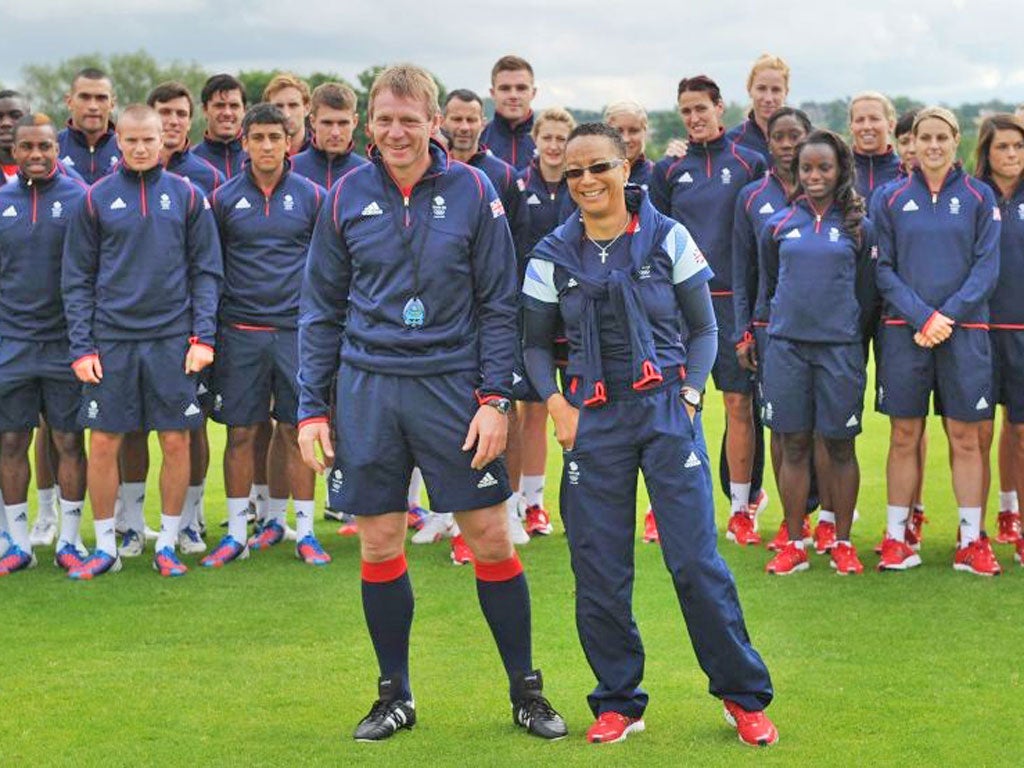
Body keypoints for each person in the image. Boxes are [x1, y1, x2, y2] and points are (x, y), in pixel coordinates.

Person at [296, 64, 566, 742]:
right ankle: (394, 695)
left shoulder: (475, 190)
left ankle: (526, 691)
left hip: (452, 388)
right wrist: (310, 406)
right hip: (368, 389)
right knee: (380, 542)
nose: (396, 132)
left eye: (409, 120)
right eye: (384, 119)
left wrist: (495, 400)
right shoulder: (343, 196)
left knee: (490, 538)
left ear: (433, 124)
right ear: (369, 123)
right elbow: (321, 307)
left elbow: (499, 303)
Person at [522, 121, 776, 746]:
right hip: (592, 419)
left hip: (666, 411)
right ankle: (618, 701)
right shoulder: (551, 254)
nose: (586, 181)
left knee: (695, 562)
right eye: (575, 171)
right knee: (600, 569)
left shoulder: (669, 236)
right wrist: (556, 404)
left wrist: (690, 392)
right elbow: (531, 344)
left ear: (625, 166)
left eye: (599, 168)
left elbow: (704, 327)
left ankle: (742, 696)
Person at [62, 104, 223, 579]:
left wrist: (203, 338)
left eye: (148, 139)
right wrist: (83, 347)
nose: (139, 147)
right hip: (111, 341)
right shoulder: (94, 199)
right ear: (119, 141)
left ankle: (168, 543)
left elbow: (207, 272)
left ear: (164, 140)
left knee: (176, 441)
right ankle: (108, 546)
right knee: (106, 441)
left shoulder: (188, 196)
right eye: (130, 140)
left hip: (172, 341)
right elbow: (77, 279)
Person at [873, 107, 1001, 575]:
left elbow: (987, 268)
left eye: (941, 137)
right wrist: (922, 316)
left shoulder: (977, 196)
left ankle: (971, 540)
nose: (932, 145)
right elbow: (883, 269)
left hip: (963, 332)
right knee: (905, 434)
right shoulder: (888, 198)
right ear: (913, 142)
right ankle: (895, 539)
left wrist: (945, 316)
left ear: (955, 140)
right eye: (924, 137)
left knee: (967, 437)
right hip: (905, 333)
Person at [202, 103, 329, 568]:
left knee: (299, 432)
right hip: (241, 331)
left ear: (289, 142)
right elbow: (211, 268)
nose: (267, 146)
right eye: (258, 138)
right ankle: (237, 532)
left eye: (276, 137)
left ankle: (307, 532)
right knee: (241, 433)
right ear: (245, 143)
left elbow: (328, 269)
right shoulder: (223, 198)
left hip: (297, 332)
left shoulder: (313, 196)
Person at [414, 87, 534, 558]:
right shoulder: (426, 173)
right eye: (456, 119)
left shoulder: (501, 175)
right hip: (441, 321)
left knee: (504, 408)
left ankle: (509, 507)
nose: (463, 127)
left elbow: (516, 246)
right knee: (440, 415)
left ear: (483, 122)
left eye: (471, 119)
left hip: (492, 313)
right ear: (442, 121)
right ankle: (444, 514)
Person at [651, 75, 769, 546]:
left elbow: (760, 238)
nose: (695, 118)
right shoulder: (668, 169)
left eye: (702, 108)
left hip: (731, 304)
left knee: (739, 405)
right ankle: (666, 508)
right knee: (677, 406)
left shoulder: (749, 161)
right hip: (680, 307)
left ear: (720, 108)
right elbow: (654, 242)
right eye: (686, 111)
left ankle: (741, 508)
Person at [758, 130, 876, 574]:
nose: (814, 176)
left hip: (839, 351)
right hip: (787, 349)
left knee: (840, 445)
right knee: (793, 444)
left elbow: (867, 294)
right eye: (807, 168)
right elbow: (770, 285)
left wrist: (847, 335)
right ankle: (794, 541)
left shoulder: (860, 227)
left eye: (824, 167)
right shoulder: (780, 224)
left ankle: (842, 542)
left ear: (841, 170)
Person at [0, 113, 89, 576]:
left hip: (64, 345)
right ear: (13, 152)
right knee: (12, 439)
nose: (37, 155)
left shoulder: (80, 200)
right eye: (27, 148)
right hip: (11, 345)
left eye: (45, 147)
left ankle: (69, 542)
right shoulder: (1, 201)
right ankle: (17, 545)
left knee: (68, 439)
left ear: (58, 150)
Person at [732, 107, 818, 551]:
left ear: (808, 139)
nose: (786, 143)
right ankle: (791, 519)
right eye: (779, 137)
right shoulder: (751, 196)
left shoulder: (828, 193)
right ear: (768, 143)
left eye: (795, 136)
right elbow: (742, 269)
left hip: (824, 331)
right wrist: (744, 331)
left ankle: (821, 515)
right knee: (783, 428)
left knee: (826, 429)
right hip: (770, 328)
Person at [974, 114, 1024, 559]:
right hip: (980, 332)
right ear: (986, 153)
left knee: (1021, 430)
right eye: (1002, 147)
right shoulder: (974, 196)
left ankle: (1016, 518)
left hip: (1023, 332)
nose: (1011, 155)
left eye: (1018, 147)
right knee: (979, 433)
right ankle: (974, 532)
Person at [291, 82, 367, 190]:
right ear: (313, 121)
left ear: (355, 122)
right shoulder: (289, 169)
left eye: (343, 123)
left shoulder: (369, 173)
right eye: (327, 123)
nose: (335, 132)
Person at [58, 68, 119, 185]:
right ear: (69, 101)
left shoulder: (126, 149)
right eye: (85, 97)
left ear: (112, 103)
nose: (93, 106)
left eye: (101, 98)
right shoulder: (52, 148)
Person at [726, 54, 790, 161]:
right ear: (750, 90)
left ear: (786, 92)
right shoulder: (731, 143)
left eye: (776, 90)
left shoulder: (805, 140)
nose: (768, 98)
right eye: (761, 89)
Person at [480, 55, 536, 170]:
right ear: (492, 93)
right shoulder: (479, 141)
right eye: (505, 88)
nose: (513, 95)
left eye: (521, 88)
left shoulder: (550, 143)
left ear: (533, 92)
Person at [850, 92, 902, 209]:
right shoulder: (838, 171)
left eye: (874, 119)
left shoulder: (904, 171)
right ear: (851, 127)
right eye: (859, 120)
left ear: (891, 125)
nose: (867, 126)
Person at [194, 74, 248, 179]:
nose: (227, 113)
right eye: (219, 105)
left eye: (234, 106)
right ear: (205, 110)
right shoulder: (190, 162)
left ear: (244, 110)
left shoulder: (259, 159)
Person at [604, 101, 654, 190]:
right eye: (618, 131)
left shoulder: (657, 176)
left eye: (633, 131)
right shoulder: (594, 175)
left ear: (645, 132)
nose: (625, 139)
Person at [263, 74, 312, 156]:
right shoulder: (254, 154)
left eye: (293, 105)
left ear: (307, 108)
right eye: (278, 106)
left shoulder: (323, 151)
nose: (286, 114)